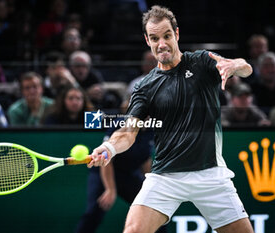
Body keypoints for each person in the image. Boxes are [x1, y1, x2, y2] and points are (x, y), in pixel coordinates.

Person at [87, 5, 254, 233]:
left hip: (210, 174)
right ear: (147, 40)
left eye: (167, 36)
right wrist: (108, 148)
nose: (162, 44)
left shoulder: (202, 62)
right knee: (134, 230)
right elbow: (128, 132)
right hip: (166, 177)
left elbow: (247, 68)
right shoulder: (145, 87)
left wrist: (235, 65)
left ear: (176, 34)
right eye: (154, 38)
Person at [251, 51, 275, 116]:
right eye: (266, 66)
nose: (270, 69)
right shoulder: (252, 89)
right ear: (259, 69)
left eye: (273, 65)